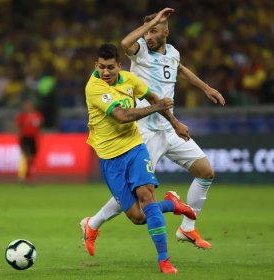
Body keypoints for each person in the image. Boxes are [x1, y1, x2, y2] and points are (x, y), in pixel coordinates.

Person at [81, 8, 226, 255]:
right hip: (144, 132)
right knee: (137, 198)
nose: (148, 36)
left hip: (169, 127)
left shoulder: (173, 53)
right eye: (146, 31)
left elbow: (179, 68)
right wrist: (154, 21)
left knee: (206, 172)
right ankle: (92, 224)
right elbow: (126, 43)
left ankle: (188, 228)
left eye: (155, 31)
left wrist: (205, 87)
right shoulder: (140, 51)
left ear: (166, 33)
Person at [84, 42, 197, 274]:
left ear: (119, 66)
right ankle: (172, 204)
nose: (105, 72)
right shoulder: (94, 87)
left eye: (110, 68)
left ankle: (164, 260)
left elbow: (156, 98)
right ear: (96, 65)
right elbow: (122, 116)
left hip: (135, 148)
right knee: (138, 217)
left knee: (146, 196)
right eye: (102, 67)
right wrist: (155, 107)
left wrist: (175, 124)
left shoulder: (130, 80)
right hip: (109, 159)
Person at [15, 100, 44, 182]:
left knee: (32, 158)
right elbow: (18, 126)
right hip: (25, 138)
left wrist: (40, 134)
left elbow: (40, 127)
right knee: (25, 156)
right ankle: (21, 176)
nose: (27, 107)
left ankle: (28, 176)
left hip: (33, 138)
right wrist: (19, 136)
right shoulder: (22, 116)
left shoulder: (37, 115)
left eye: (28, 105)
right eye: (25, 106)